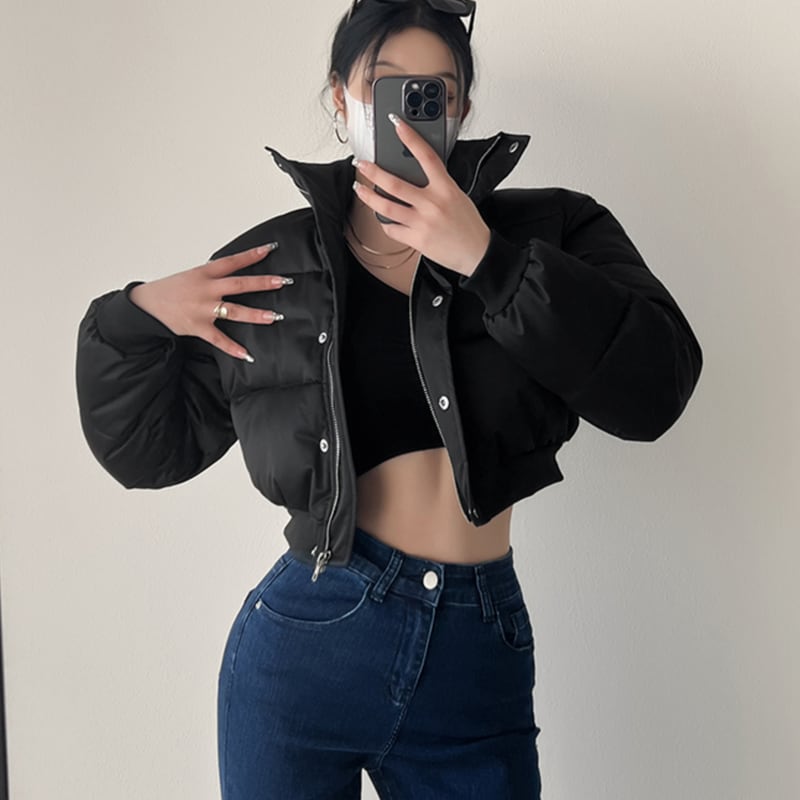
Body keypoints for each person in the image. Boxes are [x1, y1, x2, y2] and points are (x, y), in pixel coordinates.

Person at [75, 1, 703, 797]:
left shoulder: (553, 231)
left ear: (462, 108)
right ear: (342, 97)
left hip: (478, 648)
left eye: (434, 91)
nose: (410, 110)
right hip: (307, 643)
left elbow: (656, 389)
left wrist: (489, 260)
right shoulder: (274, 264)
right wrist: (131, 318)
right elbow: (147, 453)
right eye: (386, 87)